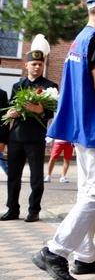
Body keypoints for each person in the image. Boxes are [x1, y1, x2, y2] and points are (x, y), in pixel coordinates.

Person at [32, 0, 95, 280]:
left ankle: (86, 256)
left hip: (82, 127)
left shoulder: (79, 41)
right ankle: (54, 251)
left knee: (88, 191)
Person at [1, 50, 58, 222]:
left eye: (40, 64)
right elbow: (11, 106)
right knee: (13, 176)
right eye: (33, 64)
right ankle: (12, 209)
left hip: (35, 138)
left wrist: (40, 111)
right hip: (16, 137)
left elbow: (51, 112)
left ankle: (34, 210)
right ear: (26, 65)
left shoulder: (50, 86)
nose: (37, 67)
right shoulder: (18, 85)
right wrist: (11, 112)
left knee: (36, 177)